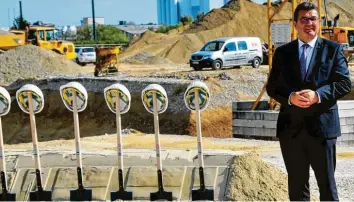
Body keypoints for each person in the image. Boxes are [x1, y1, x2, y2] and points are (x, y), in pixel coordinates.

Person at [266, 2, 351, 201]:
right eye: (303, 19)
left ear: (319, 22)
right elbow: (272, 87)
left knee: (327, 188)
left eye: (313, 18)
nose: (309, 23)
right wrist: (290, 98)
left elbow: (345, 83)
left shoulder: (333, 50)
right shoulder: (282, 53)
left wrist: (318, 95)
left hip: (322, 130)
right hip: (291, 131)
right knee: (296, 188)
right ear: (295, 24)